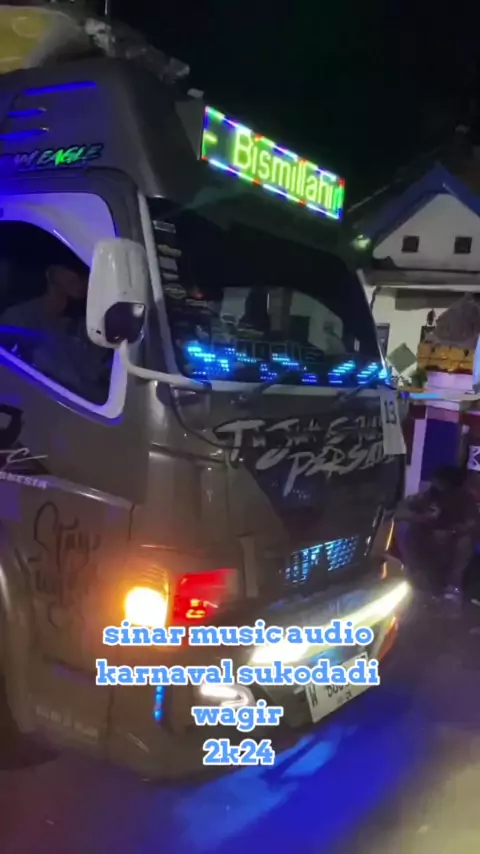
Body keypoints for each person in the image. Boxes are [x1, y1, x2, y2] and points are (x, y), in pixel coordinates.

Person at [0, 254, 111, 403]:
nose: (83, 278)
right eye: (76, 268)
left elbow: (96, 379)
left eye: (87, 272)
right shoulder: (18, 319)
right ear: (53, 272)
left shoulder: (85, 326)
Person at [395, 465, 479, 599]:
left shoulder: (465, 500)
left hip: (452, 542)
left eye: (439, 483)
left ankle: (450, 586)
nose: (435, 485)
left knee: (463, 544)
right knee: (410, 533)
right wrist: (419, 517)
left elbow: (471, 525)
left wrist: (450, 532)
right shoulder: (428, 496)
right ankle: (415, 578)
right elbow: (401, 510)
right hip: (425, 539)